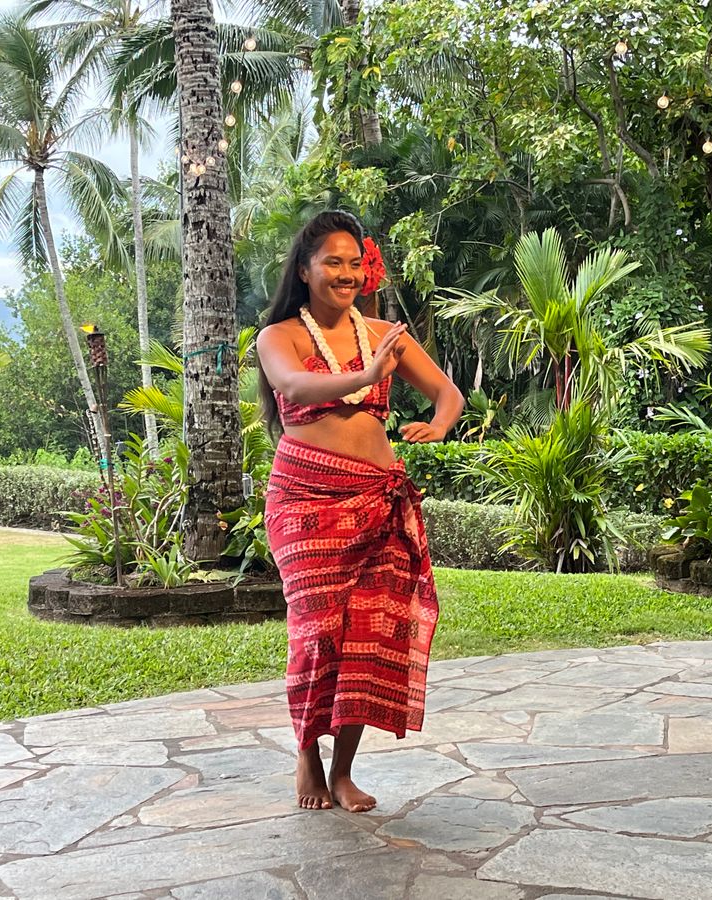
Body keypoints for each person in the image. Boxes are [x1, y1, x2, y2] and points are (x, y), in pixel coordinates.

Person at [257, 210, 464, 812]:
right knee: (316, 633)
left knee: (369, 635)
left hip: (378, 497)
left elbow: (447, 392)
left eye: (354, 263)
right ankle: (307, 753)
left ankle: (343, 770)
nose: (346, 274)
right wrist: (367, 373)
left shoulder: (382, 333)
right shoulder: (278, 336)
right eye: (332, 262)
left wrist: (439, 424)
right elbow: (293, 386)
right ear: (305, 270)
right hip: (306, 498)